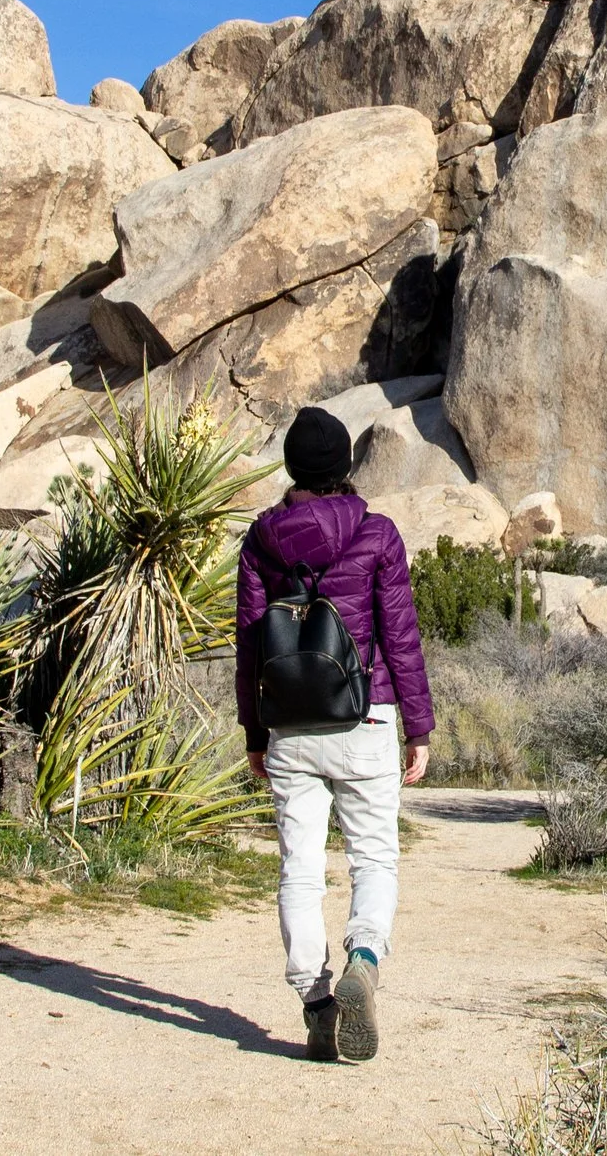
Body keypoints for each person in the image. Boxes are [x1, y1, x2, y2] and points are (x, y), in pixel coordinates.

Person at [236, 405, 434, 1064]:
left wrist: (253, 732)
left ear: (292, 468)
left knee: (300, 867)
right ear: (346, 466)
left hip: (290, 724)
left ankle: (317, 1004)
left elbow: (248, 646)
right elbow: (400, 638)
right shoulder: (378, 534)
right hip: (366, 713)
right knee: (373, 857)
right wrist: (419, 726)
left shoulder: (262, 539)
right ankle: (365, 961)